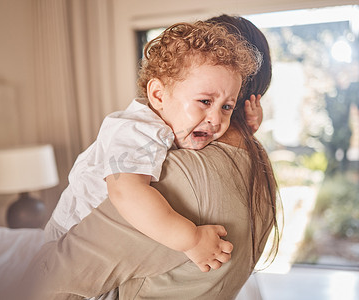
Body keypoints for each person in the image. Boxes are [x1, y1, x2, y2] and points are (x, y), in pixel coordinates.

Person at [21, 15, 280, 300]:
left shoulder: (180, 125)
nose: (216, 118)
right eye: (205, 102)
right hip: (71, 233)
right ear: (157, 95)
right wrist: (190, 239)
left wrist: (247, 128)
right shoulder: (135, 131)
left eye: (228, 107)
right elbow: (125, 191)